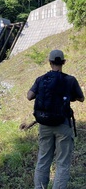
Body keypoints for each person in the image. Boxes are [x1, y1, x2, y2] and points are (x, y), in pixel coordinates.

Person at [27, 49, 85, 189]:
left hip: (44, 124)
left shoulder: (41, 79)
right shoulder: (70, 80)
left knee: (43, 160)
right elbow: (81, 98)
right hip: (63, 125)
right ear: (63, 62)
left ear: (50, 62)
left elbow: (29, 96)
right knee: (62, 163)